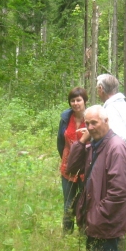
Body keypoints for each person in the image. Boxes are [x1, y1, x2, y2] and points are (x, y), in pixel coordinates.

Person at [65, 105, 126, 251]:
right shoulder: (94, 144)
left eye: (94, 122)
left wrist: (96, 216)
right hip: (94, 216)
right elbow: (71, 168)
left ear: (106, 121)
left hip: (106, 218)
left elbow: (119, 191)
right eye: (87, 123)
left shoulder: (116, 147)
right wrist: (82, 141)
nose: (90, 127)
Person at [57, 87, 88, 233]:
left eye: (78, 100)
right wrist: (67, 158)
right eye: (72, 100)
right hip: (68, 166)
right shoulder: (65, 118)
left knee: (84, 201)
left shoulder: (91, 118)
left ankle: (84, 233)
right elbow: (60, 142)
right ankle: (67, 233)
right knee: (68, 202)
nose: (75, 103)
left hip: (85, 167)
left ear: (85, 101)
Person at [95, 74, 126, 151]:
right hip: (122, 155)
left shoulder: (112, 109)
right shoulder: (124, 105)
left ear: (101, 88)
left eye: (97, 89)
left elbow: (119, 136)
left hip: (114, 157)